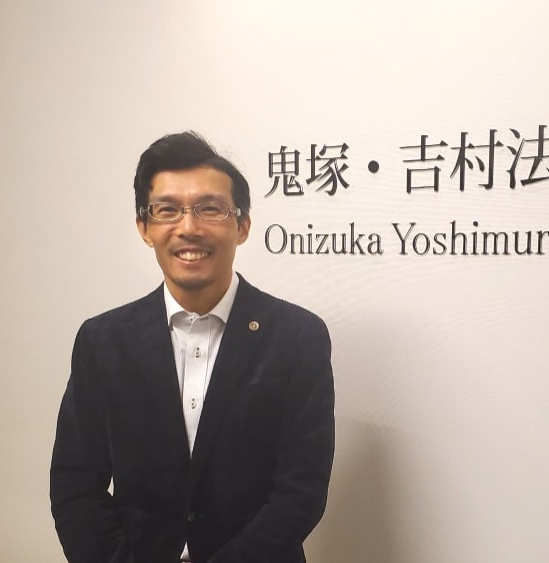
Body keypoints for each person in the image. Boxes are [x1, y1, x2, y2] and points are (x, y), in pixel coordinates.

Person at [50, 131, 335, 563]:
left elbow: (302, 490)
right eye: (167, 210)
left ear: (242, 225)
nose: (188, 227)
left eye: (210, 209)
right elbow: (75, 485)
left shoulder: (297, 337)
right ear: (144, 228)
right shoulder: (103, 341)